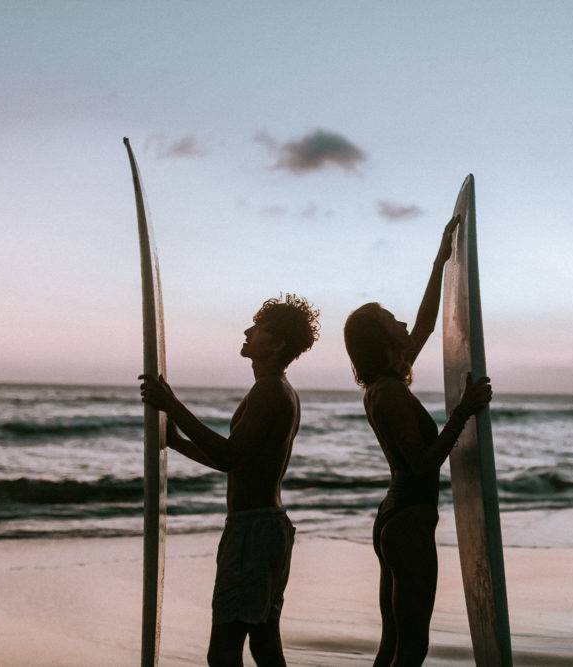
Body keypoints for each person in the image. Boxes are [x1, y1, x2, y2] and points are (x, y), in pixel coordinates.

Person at [343, 215, 492, 667]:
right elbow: (423, 465)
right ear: (380, 338)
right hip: (408, 522)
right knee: (411, 647)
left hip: (397, 517)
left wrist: (440, 260)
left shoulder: (384, 382)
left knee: (392, 643)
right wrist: (464, 410)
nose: (402, 320)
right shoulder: (387, 393)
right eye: (391, 320)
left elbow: (426, 324)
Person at [140, 294, 319, 667]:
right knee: (264, 645)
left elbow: (228, 455)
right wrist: (176, 442)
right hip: (262, 526)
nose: (247, 331)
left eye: (258, 327)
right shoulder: (277, 389)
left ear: (276, 343)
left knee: (223, 652)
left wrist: (172, 405)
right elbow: (235, 462)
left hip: (253, 531)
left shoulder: (270, 390)